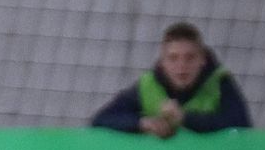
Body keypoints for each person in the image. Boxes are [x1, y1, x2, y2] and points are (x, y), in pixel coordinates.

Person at [91, 21, 251, 137]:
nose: (181, 66)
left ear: (202, 59)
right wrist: (143, 123)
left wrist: (185, 119)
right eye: (173, 58)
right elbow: (101, 119)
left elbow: (241, 124)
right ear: (162, 62)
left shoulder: (219, 82)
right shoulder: (148, 84)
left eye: (190, 58)